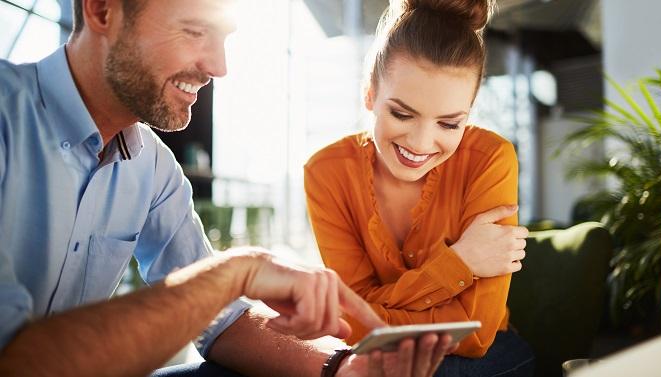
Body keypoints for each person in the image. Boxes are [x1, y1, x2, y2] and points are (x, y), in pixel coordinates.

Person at [0, 0, 458, 376]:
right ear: (102, 11)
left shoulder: (153, 166)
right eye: (196, 32)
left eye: (224, 39)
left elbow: (220, 321)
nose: (218, 66)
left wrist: (344, 368)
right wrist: (236, 271)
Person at [304, 0, 534, 376]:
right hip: (380, 361)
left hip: (486, 358)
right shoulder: (325, 173)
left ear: (470, 111)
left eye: (449, 123)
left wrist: (372, 311)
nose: (421, 143)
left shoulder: (489, 159)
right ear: (370, 94)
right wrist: (459, 264)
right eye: (402, 113)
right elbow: (352, 321)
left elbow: (475, 336)